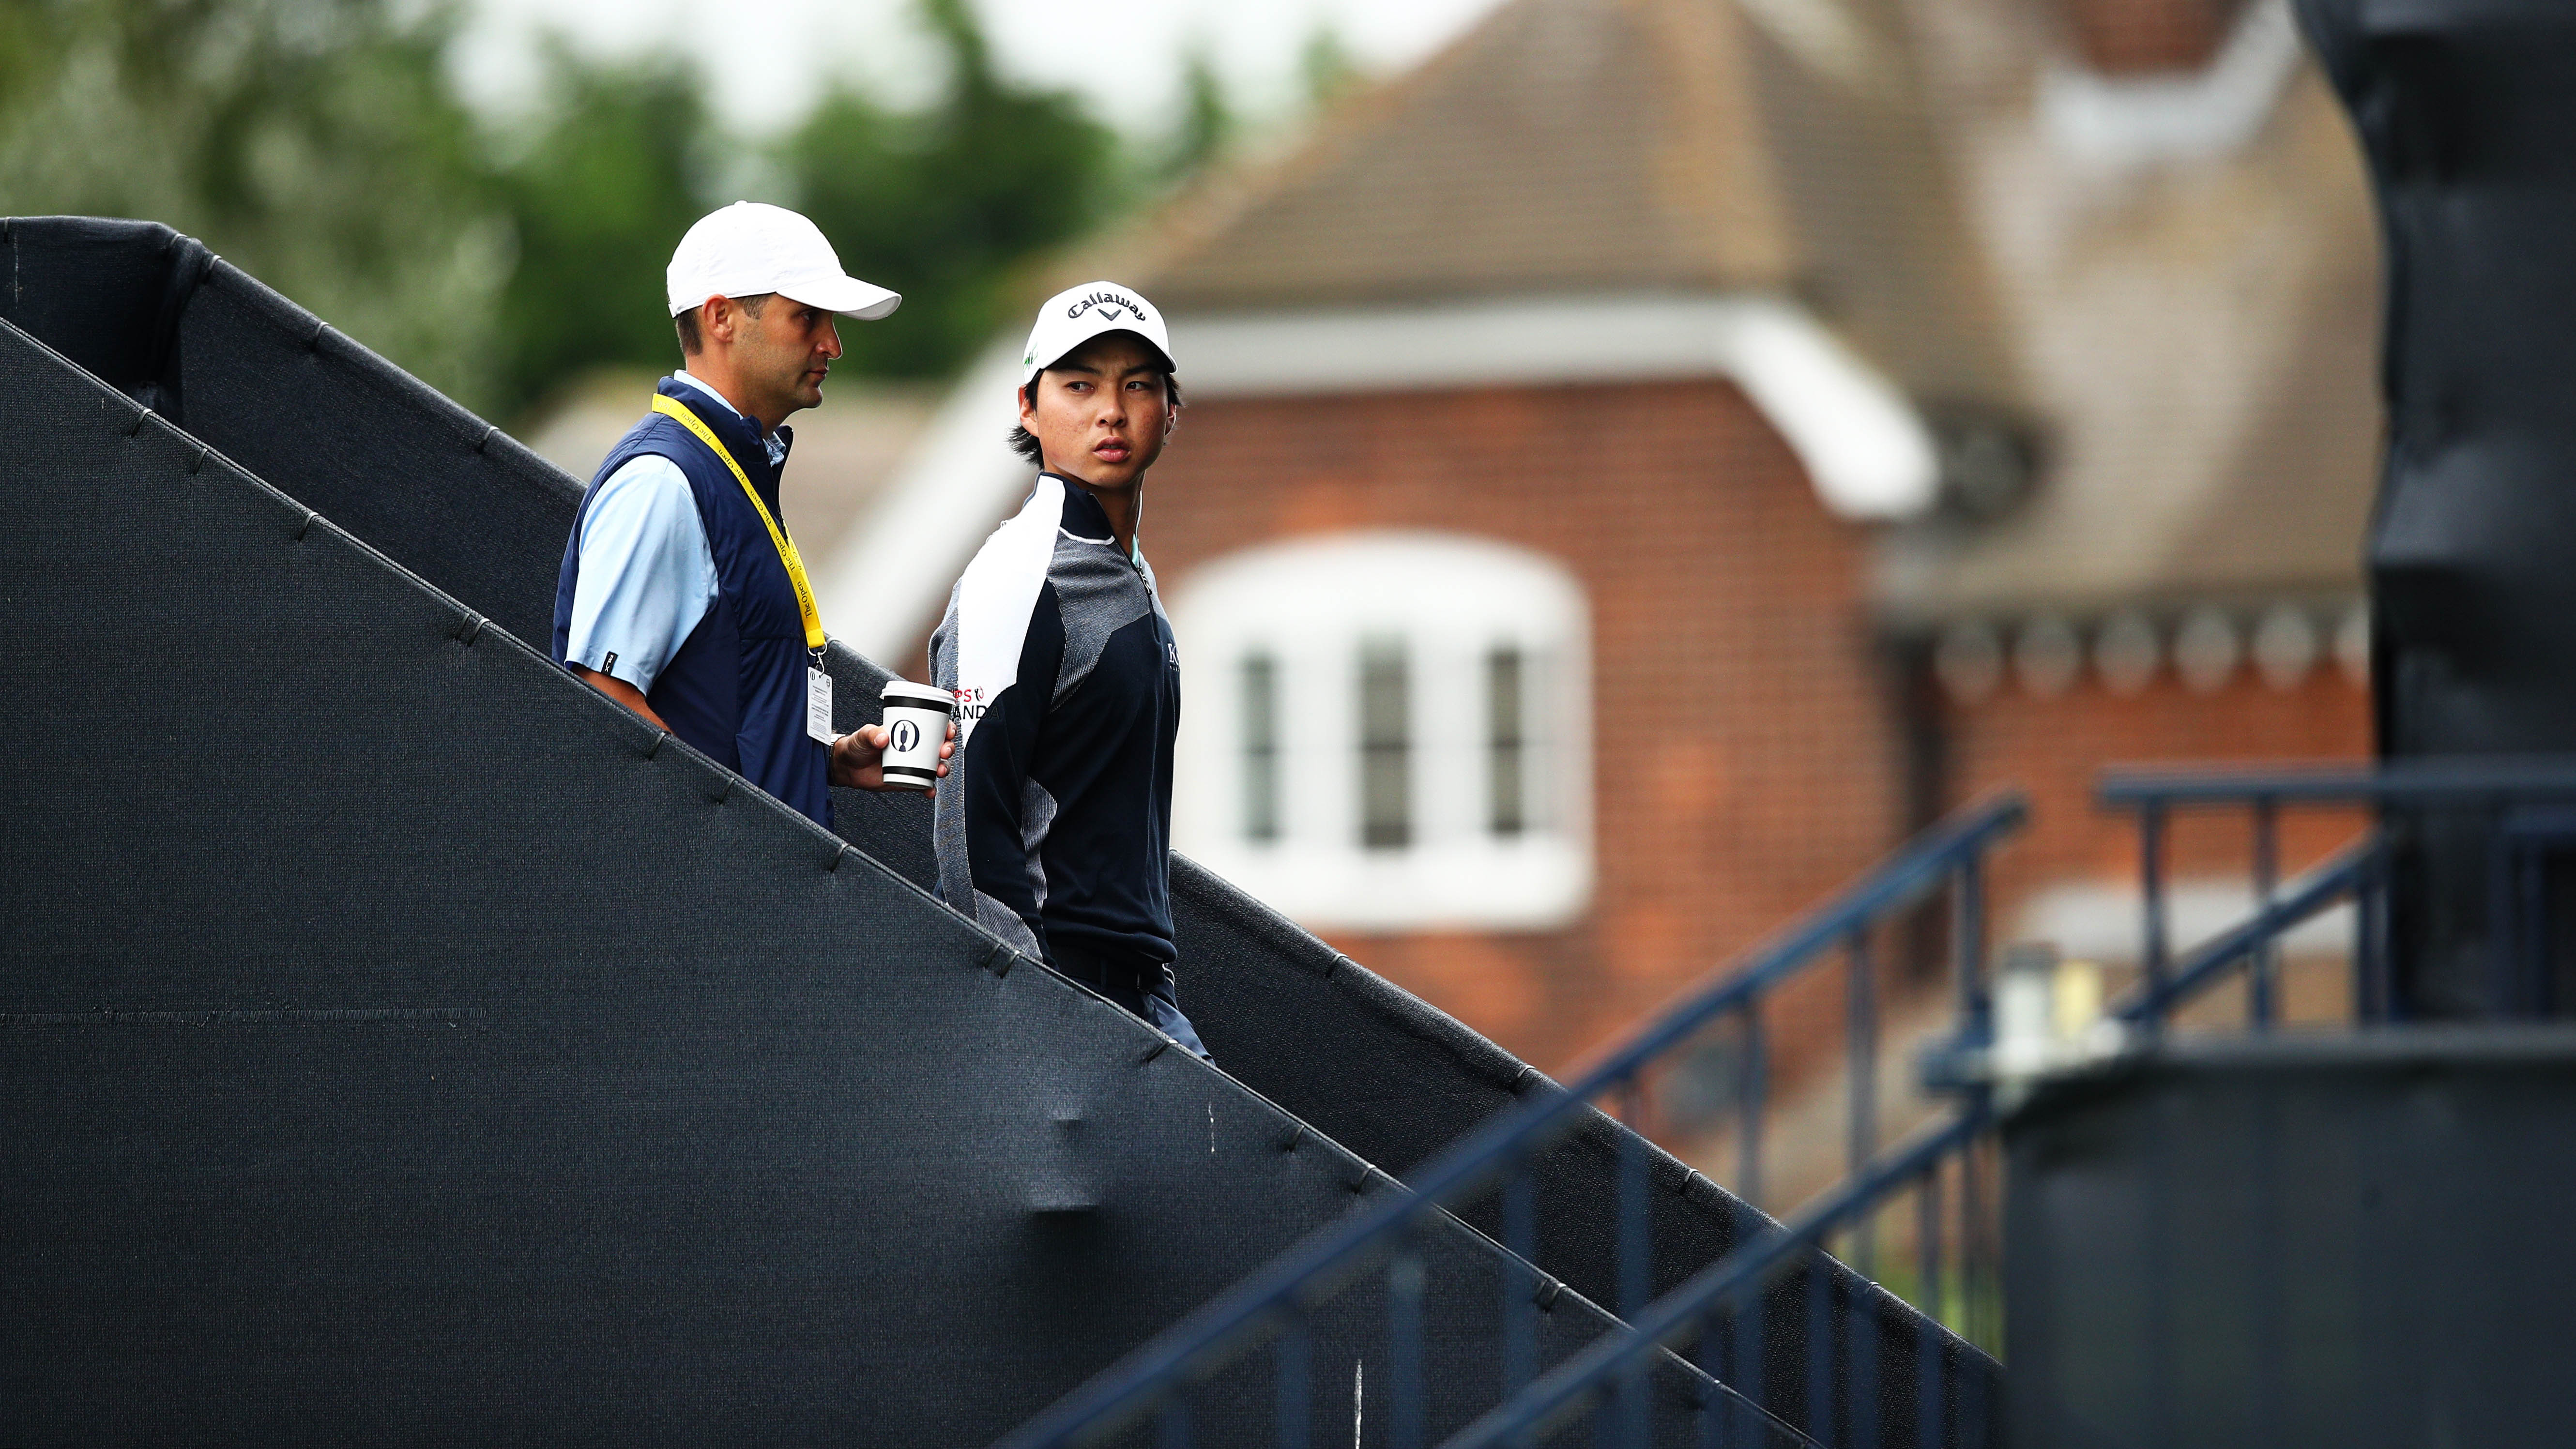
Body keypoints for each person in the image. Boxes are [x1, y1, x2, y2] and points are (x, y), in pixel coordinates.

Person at [550, 201, 948, 828]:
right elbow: (601, 697)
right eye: (807, 318)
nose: (833, 344)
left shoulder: (726, 467)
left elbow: (716, 713)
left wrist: (829, 758)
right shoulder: (663, 480)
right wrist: (738, 849)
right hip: (717, 913)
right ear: (721, 318)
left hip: (752, 906)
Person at [931, 281, 1208, 1058]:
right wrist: (1034, 1013)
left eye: (1138, 385)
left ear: (1170, 411)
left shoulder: (1128, 572)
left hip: (1142, 982)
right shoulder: (1018, 576)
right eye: (1079, 384)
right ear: (1028, 405)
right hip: (1063, 992)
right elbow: (967, 827)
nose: (1110, 411)